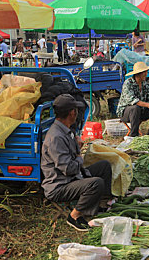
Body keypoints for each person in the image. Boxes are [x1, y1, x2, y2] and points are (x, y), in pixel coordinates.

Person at [41, 94, 113, 231]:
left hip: (72, 177)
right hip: (59, 185)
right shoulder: (56, 137)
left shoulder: (66, 129)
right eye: (76, 110)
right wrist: (80, 155)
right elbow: (69, 169)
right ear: (72, 113)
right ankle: (74, 216)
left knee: (104, 166)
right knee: (95, 183)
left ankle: (100, 205)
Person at [116, 62, 149, 137]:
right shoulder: (128, 83)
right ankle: (134, 135)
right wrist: (148, 105)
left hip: (141, 111)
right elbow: (132, 100)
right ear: (139, 73)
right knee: (135, 108)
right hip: (126, 113)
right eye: (144, 72)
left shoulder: (145, 84)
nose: (146, 74)